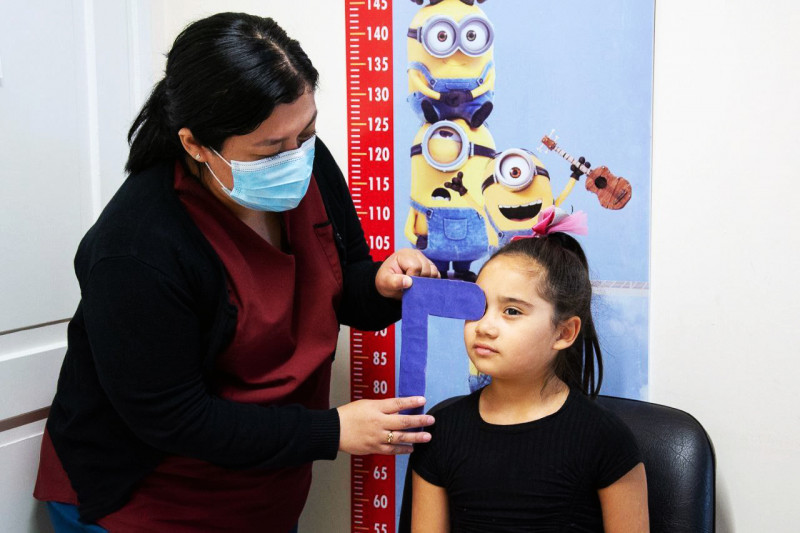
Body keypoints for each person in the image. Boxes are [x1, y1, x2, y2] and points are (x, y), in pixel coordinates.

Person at [33, 12, 439, 533]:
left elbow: (343, 282)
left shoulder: (306, 164)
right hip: (147, 501)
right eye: (270, 148)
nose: (296, 157)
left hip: (261, 492)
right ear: (195, 144)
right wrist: (331, 430)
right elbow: (175, 419)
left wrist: (381, 283)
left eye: (307, 132)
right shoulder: (136, 249)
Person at [408, 220, 649, 532]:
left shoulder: (605, 439)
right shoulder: (441, 430)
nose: (484, 326)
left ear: (564, 332)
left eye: (511, 311)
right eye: (477, 307)